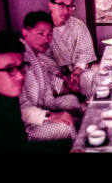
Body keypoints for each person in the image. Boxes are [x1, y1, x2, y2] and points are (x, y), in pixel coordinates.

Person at [19, 11, 83, 143]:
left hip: (42, 108)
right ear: (25, 33)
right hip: (27, 126)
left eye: (49, 34)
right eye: (40, 34)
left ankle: (80, 127)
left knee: (72, 100)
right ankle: (78, 144)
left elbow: (47, 88)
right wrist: (50, 115)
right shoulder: (21, 60)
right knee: (67, 126)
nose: (46, 39)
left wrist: (66, 87)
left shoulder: (37, 56)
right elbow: (20, 109)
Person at [46, 0, 96, 98]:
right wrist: (62, 77)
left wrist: (76, 73)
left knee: (91, 78)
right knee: (50, 86)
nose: (66, 10)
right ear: (51, 5)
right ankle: (70, 97)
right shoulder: (43, 27)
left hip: (76, 71)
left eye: (70, 6)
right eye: (62, 5)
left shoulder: (78, 25)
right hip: (54, 74)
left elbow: (84, 53)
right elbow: (42, 58)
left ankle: (84, 101)